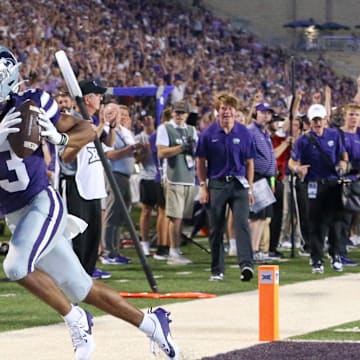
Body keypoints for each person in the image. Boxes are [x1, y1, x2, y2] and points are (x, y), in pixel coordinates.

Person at [0, 47, 179, 360]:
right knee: (83, 288)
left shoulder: (31, 104)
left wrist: (60, 140)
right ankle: (152, 324)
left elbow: (84, 128)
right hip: (16, 215)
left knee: (15, 265)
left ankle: (75, 318)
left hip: (42, 204)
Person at [58, 79, 114, 280]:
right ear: (88, 99)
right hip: (75, 183)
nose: (101, 99)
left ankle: (88, 272)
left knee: (93, 234)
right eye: (98, 95)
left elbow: (105, 144)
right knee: (78, 235)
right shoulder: (70, 121)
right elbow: (65, 156)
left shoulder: (91, 122)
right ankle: (75, 274)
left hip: (91, 184)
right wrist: (86, 136)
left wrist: (103, 126)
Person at [196, 93, 255, 282]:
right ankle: (217, 269)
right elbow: (200, 161)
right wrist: (203, 186)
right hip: (217, 184)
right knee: (216, 227)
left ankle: (246, 264)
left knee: (242, 223)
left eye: (230, 108)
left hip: (239, 184)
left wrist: (251, 188)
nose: (226, 112)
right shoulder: (208, 134)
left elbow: (250, 162)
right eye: (223, 108)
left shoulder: (244, 132)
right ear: (217, 111)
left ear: (235, 111)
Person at [288, 104, 348, 273]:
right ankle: (316, 259)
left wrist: (342, 165)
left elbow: (343, 155)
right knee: (315, 223)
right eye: (314, 120)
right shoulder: (303, 140)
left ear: (325, 120)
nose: (317, 123)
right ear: (310, 121)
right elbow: (292, 162)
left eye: (320, 119)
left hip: (333, 184)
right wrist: (298, 169)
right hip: (313, 184)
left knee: (336, 222)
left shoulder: (334, 135)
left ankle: (336, 254)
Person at [156, 100, 198, 265]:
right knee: (175, 216)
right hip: (173, 176)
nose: (179, 115)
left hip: (188, 176)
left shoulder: (191, 130)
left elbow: (195, 151)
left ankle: (176, 249)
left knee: (182, 217)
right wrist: (181, 148)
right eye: (177, 112)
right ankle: (173, 252)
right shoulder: (165, 128)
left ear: (187, 114)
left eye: (182, 112)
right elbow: (161, 152)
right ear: (172, 113)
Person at [102, 103, 142, 264]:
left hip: (126, 175)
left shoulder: (124, 132)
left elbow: (133, 153)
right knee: (112, 213)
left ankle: (115, 249)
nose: (116, 116)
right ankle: (108, 252)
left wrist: (140, 150)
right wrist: (129, 150)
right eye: (110, 112)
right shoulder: (105, 131)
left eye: (117, 113)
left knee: (121, 214)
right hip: (114, 174)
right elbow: (109, 154)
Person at [247, 103, 277, 262]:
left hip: (265, 179)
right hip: (256, 177)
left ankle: (257, 250)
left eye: (268, 113)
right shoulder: (251, 131)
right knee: (256, 217)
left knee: (262, 217)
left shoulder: (265, 133)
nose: (266, 115)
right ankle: (251, 250)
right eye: (262, 112)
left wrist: (271, 178)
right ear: (255, 113)